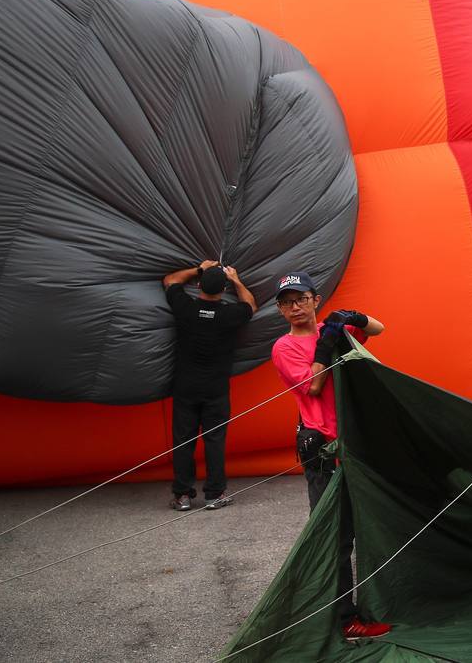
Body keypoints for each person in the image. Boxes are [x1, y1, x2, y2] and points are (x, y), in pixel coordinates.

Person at [270, 271, 391, 642]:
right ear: (280, 310)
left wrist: (350, 317)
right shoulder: (284, 348)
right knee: (335, 536)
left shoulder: (333, 329)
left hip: (354, 444)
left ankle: (366, 604)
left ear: (315, 299)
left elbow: (380, 328)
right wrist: (325, 346)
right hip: (322, 449)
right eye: (287, 302)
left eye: (301, 298)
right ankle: (343, 618)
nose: (295, 306)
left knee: (365, 527)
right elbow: (313, 385)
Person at [162, 260, 256, 511]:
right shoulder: (229, 315)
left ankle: (182, 495)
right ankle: (214, 494)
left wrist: (198, 269)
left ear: (199, 285)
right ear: (224, 290)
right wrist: (236, 279)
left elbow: (170, 280)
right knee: (215, 440)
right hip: (216, 389)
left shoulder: (186, 309)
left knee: (183, 441)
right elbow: (250, 305)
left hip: (185, 387)